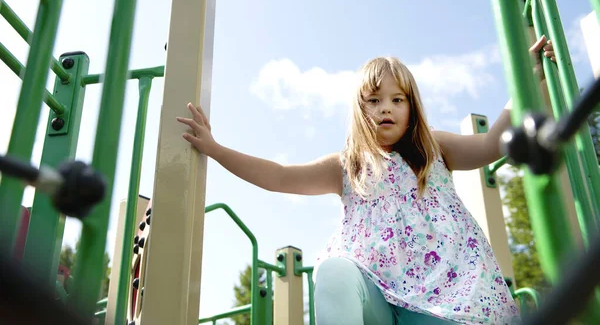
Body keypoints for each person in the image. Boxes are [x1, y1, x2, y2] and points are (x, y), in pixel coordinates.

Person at [176, 36, 556, 325]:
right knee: (334, 271)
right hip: (379, 295)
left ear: (412, 107)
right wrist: (216, 149)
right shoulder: (348, 166)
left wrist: (529, 78)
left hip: (450, 295)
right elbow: (279, 176)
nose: (386, 108)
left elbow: (492, 145)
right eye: (374, 101)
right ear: (360, 110)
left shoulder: (433, 148)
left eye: (397, 99)